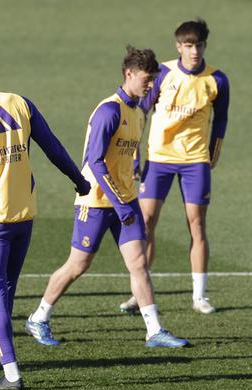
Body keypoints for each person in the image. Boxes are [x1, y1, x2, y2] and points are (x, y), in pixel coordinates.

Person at [0, 54, 91, 390]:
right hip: (24, 216)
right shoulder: (20, 103)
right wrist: (79, 180)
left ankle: (11, 372)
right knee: (4, 292)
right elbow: (52, 146)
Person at [25, 47, 190, 349]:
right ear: (129, 74)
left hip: (125, 201)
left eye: (153, 80)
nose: (150, 86)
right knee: (78, 265)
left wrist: (135, 168)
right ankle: (38, 318)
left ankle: (154, 330)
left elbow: (131, 147)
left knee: (139, 263)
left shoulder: (139, 112)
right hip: (97, 203)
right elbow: (95, 161)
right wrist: (119, 203)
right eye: (146, 79)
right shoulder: (108, 111)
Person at [119, 18, 229, 315]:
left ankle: (199, 296)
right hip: (159, 159)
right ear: (179, 46)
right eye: (189, 45)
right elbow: (142, 113)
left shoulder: (217, 80)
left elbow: (220, 120)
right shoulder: (163, 73)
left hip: (194, 162)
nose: (195, 51)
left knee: (196, 224)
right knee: (147, 222)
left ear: (206, 45)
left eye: (200, 45)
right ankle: (138, 294)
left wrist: (213, 152)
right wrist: (135, 156)